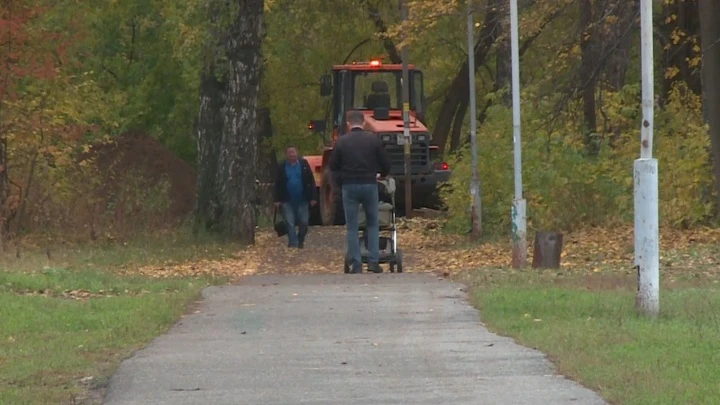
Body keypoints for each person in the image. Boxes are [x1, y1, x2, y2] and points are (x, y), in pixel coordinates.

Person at [329, 110, 391, 273]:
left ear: (348, 124)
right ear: (363, 123)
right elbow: (385, 163)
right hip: (369, 184)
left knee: (352, 226)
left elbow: (333, 166)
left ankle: (356, 263)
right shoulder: (373, 141)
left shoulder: (341, 142)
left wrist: (340, 182)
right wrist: (381, 174)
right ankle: (373, 261)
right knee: (372, 223)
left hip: (349, 186)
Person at [273, 146, 317, 248]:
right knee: (289, 222)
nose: (291, 154)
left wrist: (313, 197)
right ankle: (293, 243)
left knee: (304, 222)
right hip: (287, 200)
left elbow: (311, 181)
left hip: (302, 199)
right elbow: (278, 183)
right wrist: (277, 199)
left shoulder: (304, 164)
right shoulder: (282, 167)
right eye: (289, 152)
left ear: (297, 153)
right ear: (286, 155)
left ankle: (300, 240)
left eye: (293, 152)